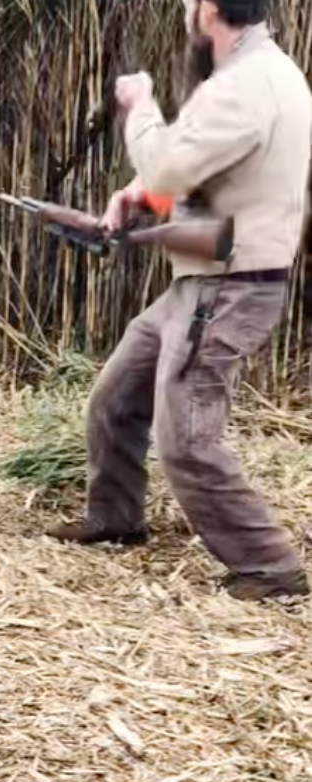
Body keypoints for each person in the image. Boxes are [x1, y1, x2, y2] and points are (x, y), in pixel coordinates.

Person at [49, 0, 312, 602]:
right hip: (200, 280)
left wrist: (139, 106)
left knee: (187, 438)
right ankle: (114, 518)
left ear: (210, 7)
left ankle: (269, 566)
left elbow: (169, 167)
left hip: (226, 288)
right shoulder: (258, 75)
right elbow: (205, 177)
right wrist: (140, 195)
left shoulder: (248, 83)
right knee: (115, 399)